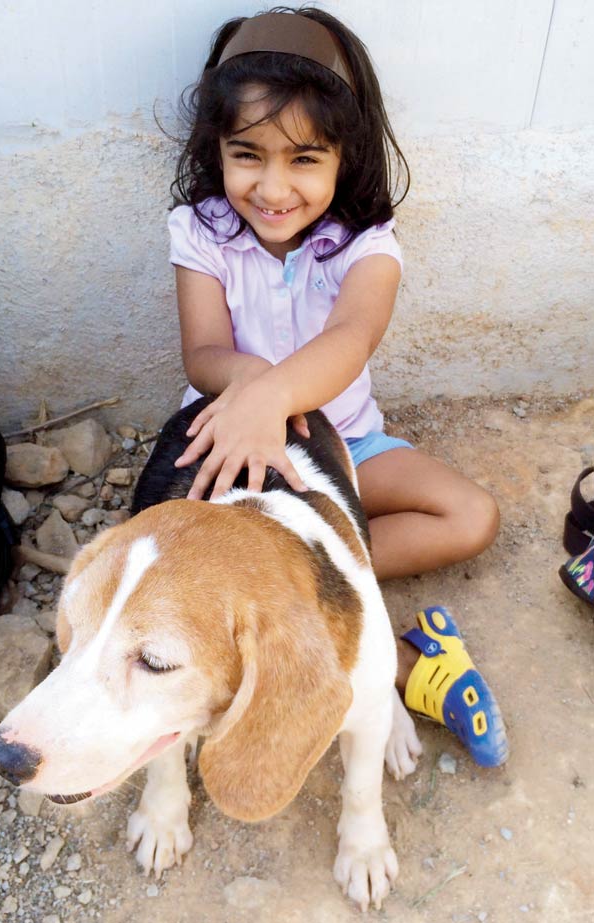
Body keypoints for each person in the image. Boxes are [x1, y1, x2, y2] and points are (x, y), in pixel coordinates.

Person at [166, 7, 507, 767]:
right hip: (238, 448)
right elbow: (202, 354)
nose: (273, 187)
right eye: (247, 155)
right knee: (180, 557)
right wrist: (251, 396)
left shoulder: (368, 246)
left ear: (344, 157)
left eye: (304, 159)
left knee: (471, 515)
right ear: (215, 149)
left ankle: (306, 583)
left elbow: (352, 341)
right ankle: (360, 625)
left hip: (349, 445)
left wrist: (273, 398)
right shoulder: (200, 232)